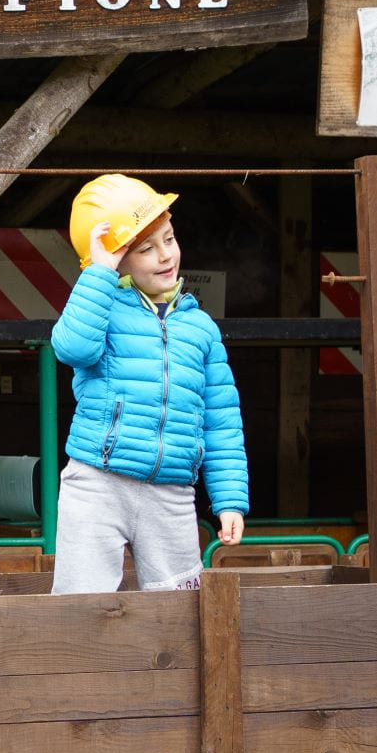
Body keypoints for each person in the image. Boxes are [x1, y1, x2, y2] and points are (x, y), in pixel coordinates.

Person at [49, 174, 249, 593]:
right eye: (145, 248)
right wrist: (98, 273)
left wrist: (229, 500)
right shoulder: (102, 311)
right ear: (118, 260)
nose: (165, 255)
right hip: (97, 484)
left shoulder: (201, 328)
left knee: (180, 613)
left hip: (172, 494)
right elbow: (71, 348)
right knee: (80, 604)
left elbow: (222, 423)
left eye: (169, 239)